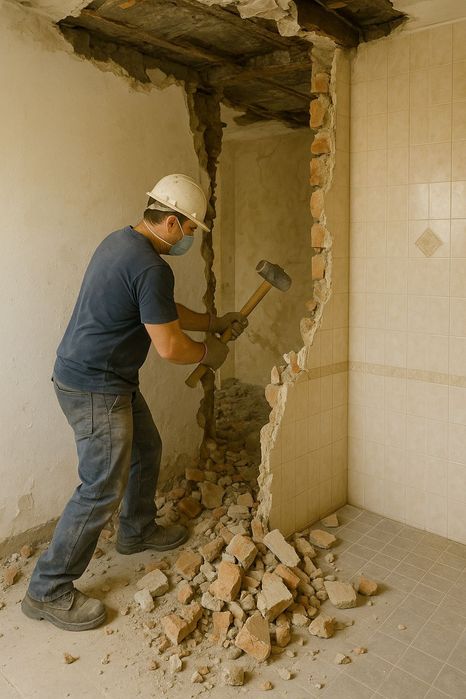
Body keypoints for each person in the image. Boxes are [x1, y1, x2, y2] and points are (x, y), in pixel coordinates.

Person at [21, 174, 247, 632]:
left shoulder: (121, 242)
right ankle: (47, 589)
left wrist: (211, 322)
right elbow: (169, 346)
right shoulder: (150, 267)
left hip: (101, 376)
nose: (189, 238)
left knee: (146, 449)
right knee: (101, 486)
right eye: (190, 229)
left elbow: (160, 308)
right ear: (171, 221)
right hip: (95, 386)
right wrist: (210, 352)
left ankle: (137, 529)